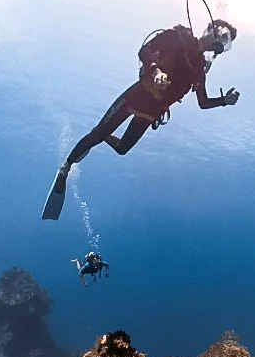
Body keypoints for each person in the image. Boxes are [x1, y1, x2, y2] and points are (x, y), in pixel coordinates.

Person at [42, 14, 241, 219]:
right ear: (211, 28)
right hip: (137, 96)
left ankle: (99, 135)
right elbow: (144, 51)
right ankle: (66, 167)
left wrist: (224, 101)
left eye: (226, 44)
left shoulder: (199, 69)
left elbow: (203, 102)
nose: (221, 43)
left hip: (151, 112)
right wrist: (155, 71)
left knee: (122, 149)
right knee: (101, 131)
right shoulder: (179, 36)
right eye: (223, 37)